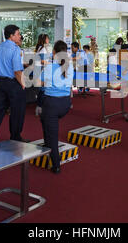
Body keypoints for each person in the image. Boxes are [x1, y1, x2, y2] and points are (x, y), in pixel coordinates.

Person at [39, 40, 74, 174]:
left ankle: (56, 164)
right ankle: (48, 147)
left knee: (52, 134)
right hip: (65, 104)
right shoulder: (69, 67)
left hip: (52, 104)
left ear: (53, 52)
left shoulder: (49, 67)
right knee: (44, 120)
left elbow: (40, 83)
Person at [34, 34, 52, 116]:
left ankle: (39, 107)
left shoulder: (39, 48)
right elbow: (42, 61)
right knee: (43, 89)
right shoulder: (43, 49)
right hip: (42, 70)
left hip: (39, 70)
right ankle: (40, 107)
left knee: (42, 89)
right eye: (47, 38)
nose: (48, 40)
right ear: (44, 40)